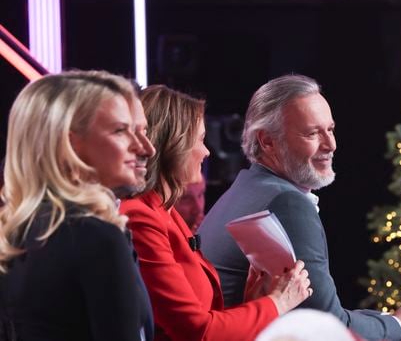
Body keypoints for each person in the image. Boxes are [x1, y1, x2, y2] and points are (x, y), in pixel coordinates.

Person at [198, 74, 401, 341]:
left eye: (330, 129)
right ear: (267, 141)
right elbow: (327, 327)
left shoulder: (248, 188)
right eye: (312, 133)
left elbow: (318, 313)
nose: (331, 145)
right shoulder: (285, 202)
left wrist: (397, 319)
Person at [120, 85, 312, 341]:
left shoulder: (165, 212)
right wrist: (277, 302)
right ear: (174, 143)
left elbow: (205, 320)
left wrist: (255, 302)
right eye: (200, 140)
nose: (207, 151)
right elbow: (197, 331)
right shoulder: (141, 217)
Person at [0, 71, 153, 341]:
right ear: (70, 143)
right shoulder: (95, 236)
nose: (144, 148)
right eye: (120, 130)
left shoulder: (14, 230)